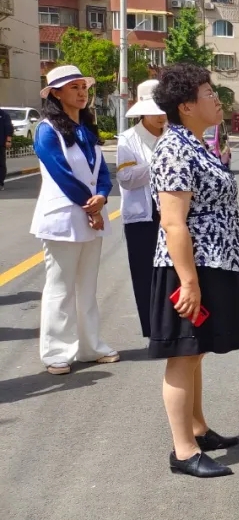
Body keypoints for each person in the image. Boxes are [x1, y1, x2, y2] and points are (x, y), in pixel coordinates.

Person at [150, 64, 239, 479]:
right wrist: (189, 282)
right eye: (208, 93)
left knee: (197, 351)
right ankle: (184, 451)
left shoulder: (196, 143)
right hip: (190, 267)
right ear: (186, 106)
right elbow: (173, 222)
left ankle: (198, 428)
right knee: (183, 353)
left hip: (213, 261)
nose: (216, 99)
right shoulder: (174, 148)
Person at [31, 65, 119, 375]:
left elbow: (102, 172)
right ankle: (56, 352)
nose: (82, 93)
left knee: (87, 287)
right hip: (63, 218)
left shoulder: (87, 129)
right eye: (74, 87)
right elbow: (62, 174)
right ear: (56, 93)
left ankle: (90, 347)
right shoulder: (46, 130)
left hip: (91, 215)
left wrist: (103, 195)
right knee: (60, 287)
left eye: (84, 87)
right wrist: (92, 207)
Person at [116, 80, 168, 339]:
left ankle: (172, 327)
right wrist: (158, 163)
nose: (160, 116)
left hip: (172, 213)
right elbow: (126, 178)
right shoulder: (128, 139)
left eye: (163, 110)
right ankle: (152, 329)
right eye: (154, 111)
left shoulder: (173, 134)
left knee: (172, 272)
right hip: (142, 217)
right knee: (145, 274)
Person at [0, 104, 13, 190]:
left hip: (0, 143)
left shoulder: (4, 115)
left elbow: (9, 128)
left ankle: (0, 182)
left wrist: (8, 140)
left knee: (1, 163)